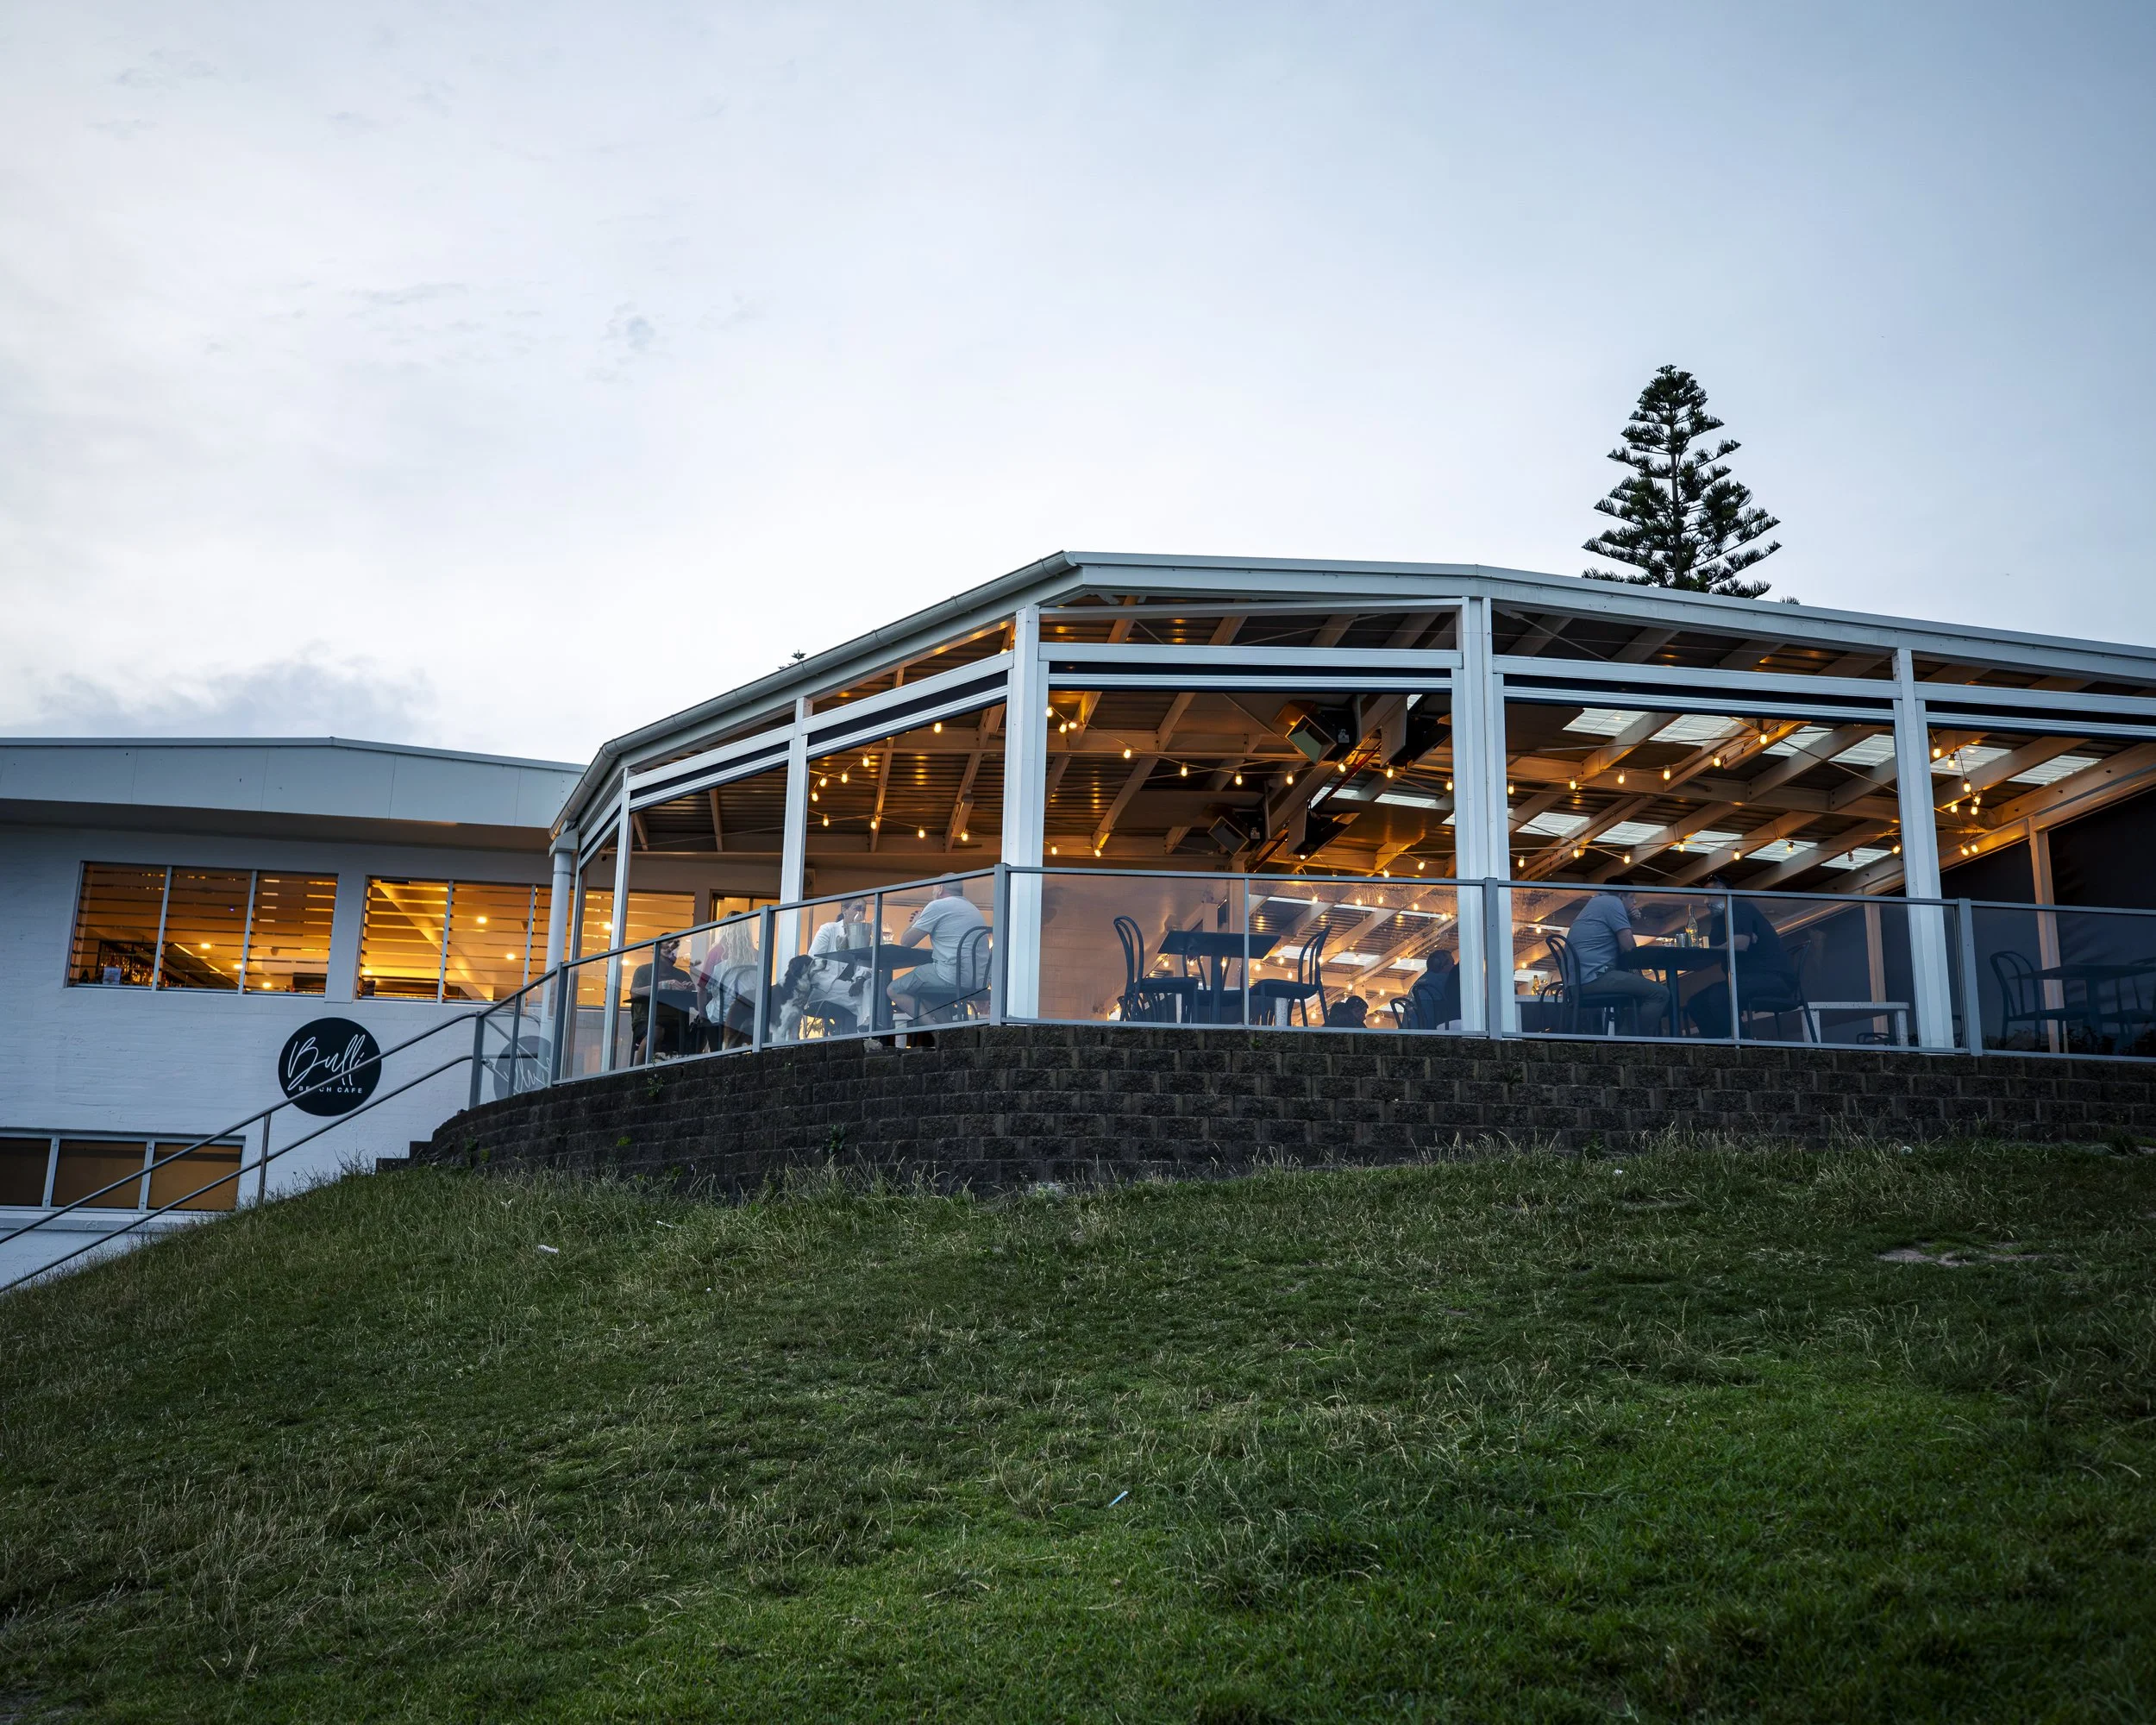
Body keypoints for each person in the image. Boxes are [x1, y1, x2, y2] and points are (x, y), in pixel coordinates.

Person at [1687, 876, 1803, 1038]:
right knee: (1696, 1003)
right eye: (1705, 896)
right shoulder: (1720, 920)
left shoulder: (1739, 907)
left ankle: (1742, 1043)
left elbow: (1740, 944)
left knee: (1719, 996)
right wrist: (1731, 942)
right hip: (1746, 980)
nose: (1706, 901)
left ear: (1723, 892)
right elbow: (1721, 947)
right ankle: (1716, 1046)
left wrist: (1735, 941)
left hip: (1773, 978)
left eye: (1710, 895)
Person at [1564, 891, 1673, 1034]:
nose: (1635, 903)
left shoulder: (1595, 904)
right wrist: (1626, 921)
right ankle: (1634, 1042)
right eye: (1632, 897)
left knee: (1640, 992)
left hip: (1577, 983)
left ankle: (1626, 1037)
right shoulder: (1613, 902)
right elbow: (1628, 947)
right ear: (1621, 896)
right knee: (1660, 993)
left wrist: (1628, 919)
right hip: (1594, 979)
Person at [888, 878, 988, 1023]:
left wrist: (916, 921)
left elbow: (906, 942)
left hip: (952, 976)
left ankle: (935, 1030)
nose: (933, 892)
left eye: (933, 888)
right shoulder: (972, 908)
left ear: (940, 888)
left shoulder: (937, 906)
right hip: (978, 980)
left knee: (893, 989)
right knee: (928, 993)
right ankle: (948, 1031)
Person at [693, 918, 761, 1050]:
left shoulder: (716, 953)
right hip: (748, 1013)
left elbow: (702, 988)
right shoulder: (757, 956)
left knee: (704, 1020)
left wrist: (703, 1018)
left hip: (721, 1015)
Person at [629, 937, 696, 1059]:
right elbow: (635, 993)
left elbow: (696, 1001)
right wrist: (662, 985)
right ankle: (638, 1072)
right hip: (647, 1020)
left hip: (676, 1022)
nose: (672, 954)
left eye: (675, 950)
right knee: (656, 1031)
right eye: (667, 949)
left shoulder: (682, 975)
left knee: (700, 1032)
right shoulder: (643, 971)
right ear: (656, 951)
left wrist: (689, 990)